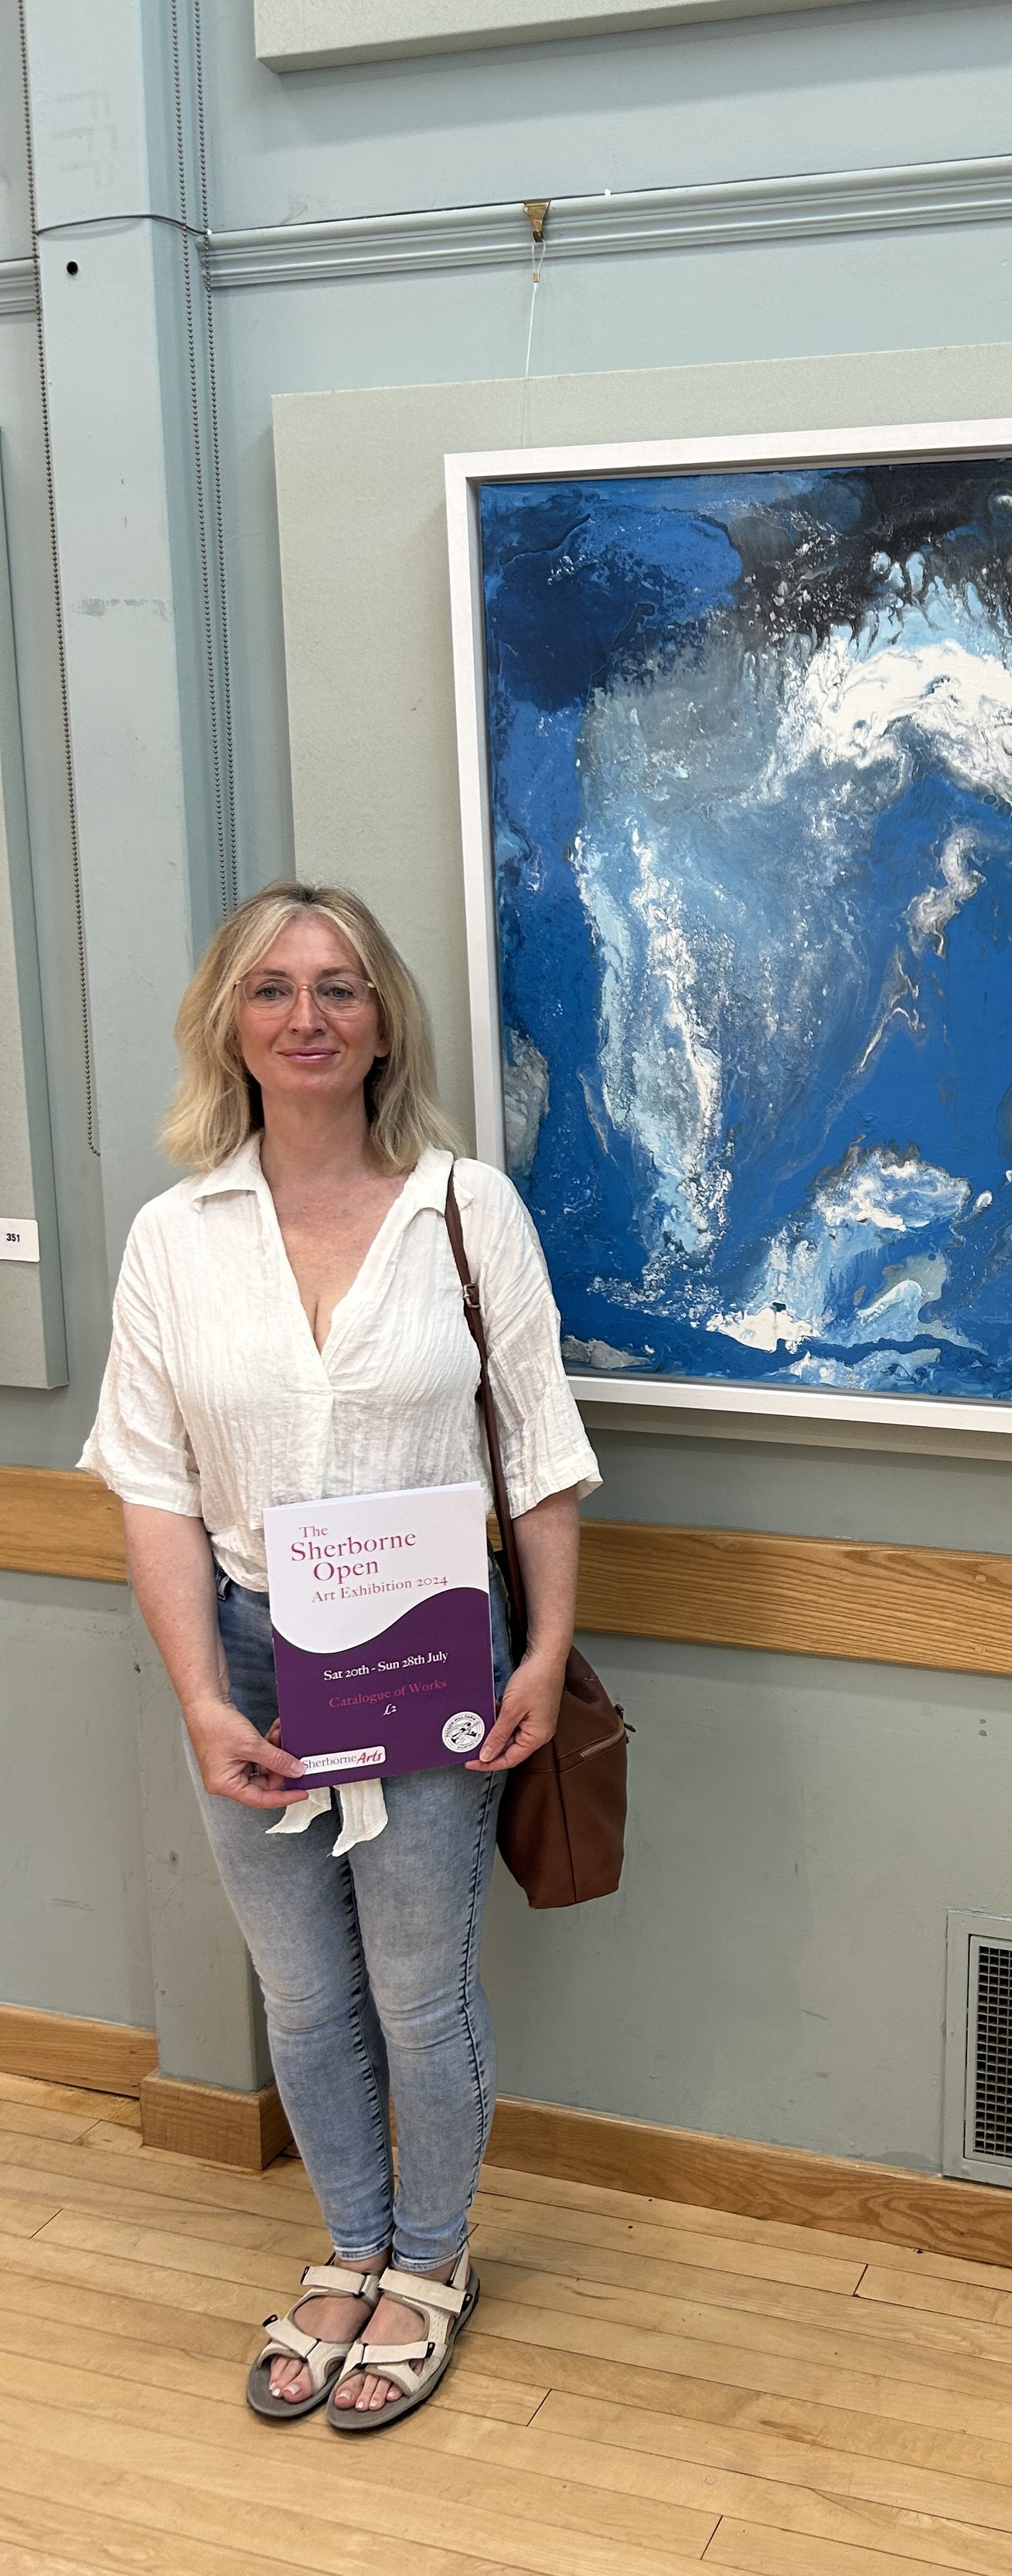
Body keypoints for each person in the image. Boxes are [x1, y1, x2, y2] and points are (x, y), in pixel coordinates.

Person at [80, 882, 599, 2431]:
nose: (308, 1016)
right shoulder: (175, 1239)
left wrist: (545, 1648)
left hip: (434, 1645)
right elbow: (153, 1487)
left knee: (416, 1988)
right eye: (273, 988)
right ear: (227, 1023)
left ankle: (429, 2263)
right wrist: (200, 1695)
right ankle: (349, 2245)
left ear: (384, 1023)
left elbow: (543, 1453)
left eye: (342, 987)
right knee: (303, 1999)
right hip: (246, 1642)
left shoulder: (465, 1211)